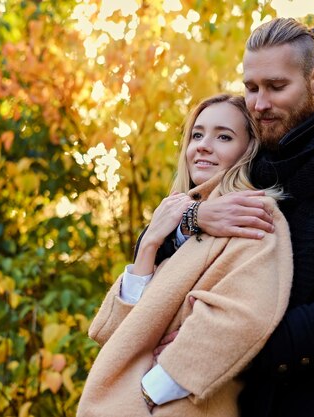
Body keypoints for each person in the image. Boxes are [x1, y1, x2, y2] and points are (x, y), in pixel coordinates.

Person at [155, 18, 314, 417]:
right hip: (240, 402)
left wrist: (240, 347)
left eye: (276, 87)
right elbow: (156, 245)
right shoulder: (246, 162)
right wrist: (195, 217)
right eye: (251, 88)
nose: (259, 104)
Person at [76, 94, 293, 417]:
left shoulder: (252, 213)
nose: (204, 145)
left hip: (179, 406)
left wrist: (152, 389)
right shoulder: (181, 223)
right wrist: (150, 243)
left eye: (223, 136)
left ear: (248, 149)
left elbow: (238, 317)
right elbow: (119, 333)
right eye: (197, 134)